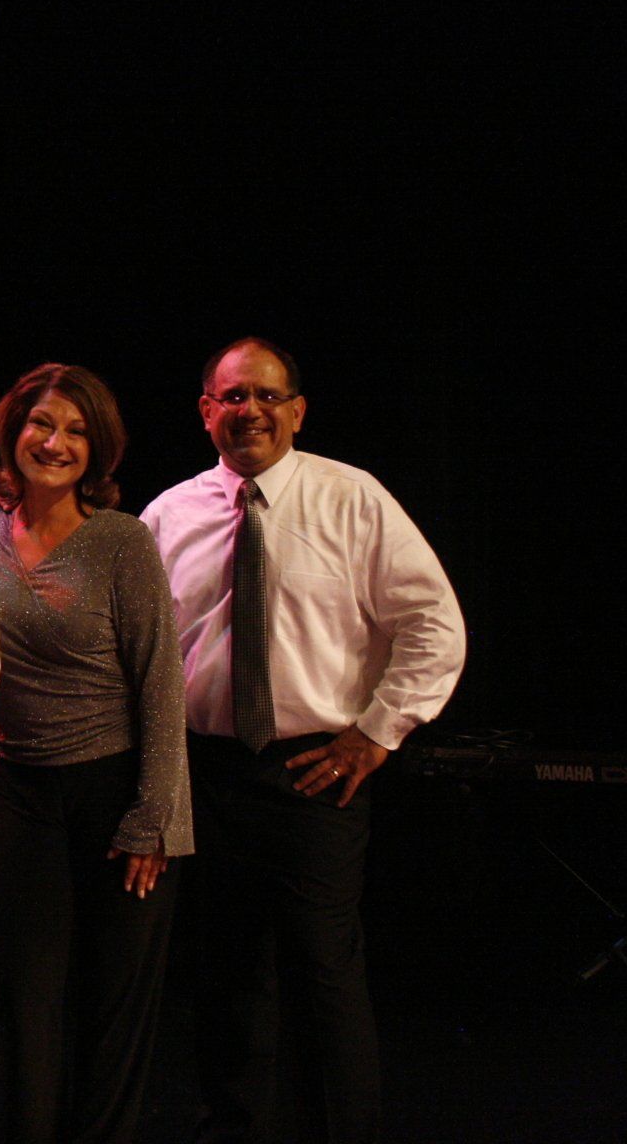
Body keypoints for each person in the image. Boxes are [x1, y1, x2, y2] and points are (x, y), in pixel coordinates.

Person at [141, 338, 466, 1144]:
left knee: (323, 973)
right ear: (205, 412)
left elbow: (433, 624)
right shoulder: (168, 514)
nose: (247, 410)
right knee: (225, 974)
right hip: (204, 769)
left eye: (264, 395)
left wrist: (376, 734)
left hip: (312, 770)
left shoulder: (352, 499)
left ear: (296, 409)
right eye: (230, 397)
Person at [0, 362, 193, 1144]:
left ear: (98, 449)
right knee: (25, 1009)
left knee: (113, 1017)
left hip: (116, 796)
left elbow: (162, 686)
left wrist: (152, 819)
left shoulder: (121, 542)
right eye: (42, 424)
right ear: (14, 430)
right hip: (19, 792)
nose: (55, 442)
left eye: (76, 430)